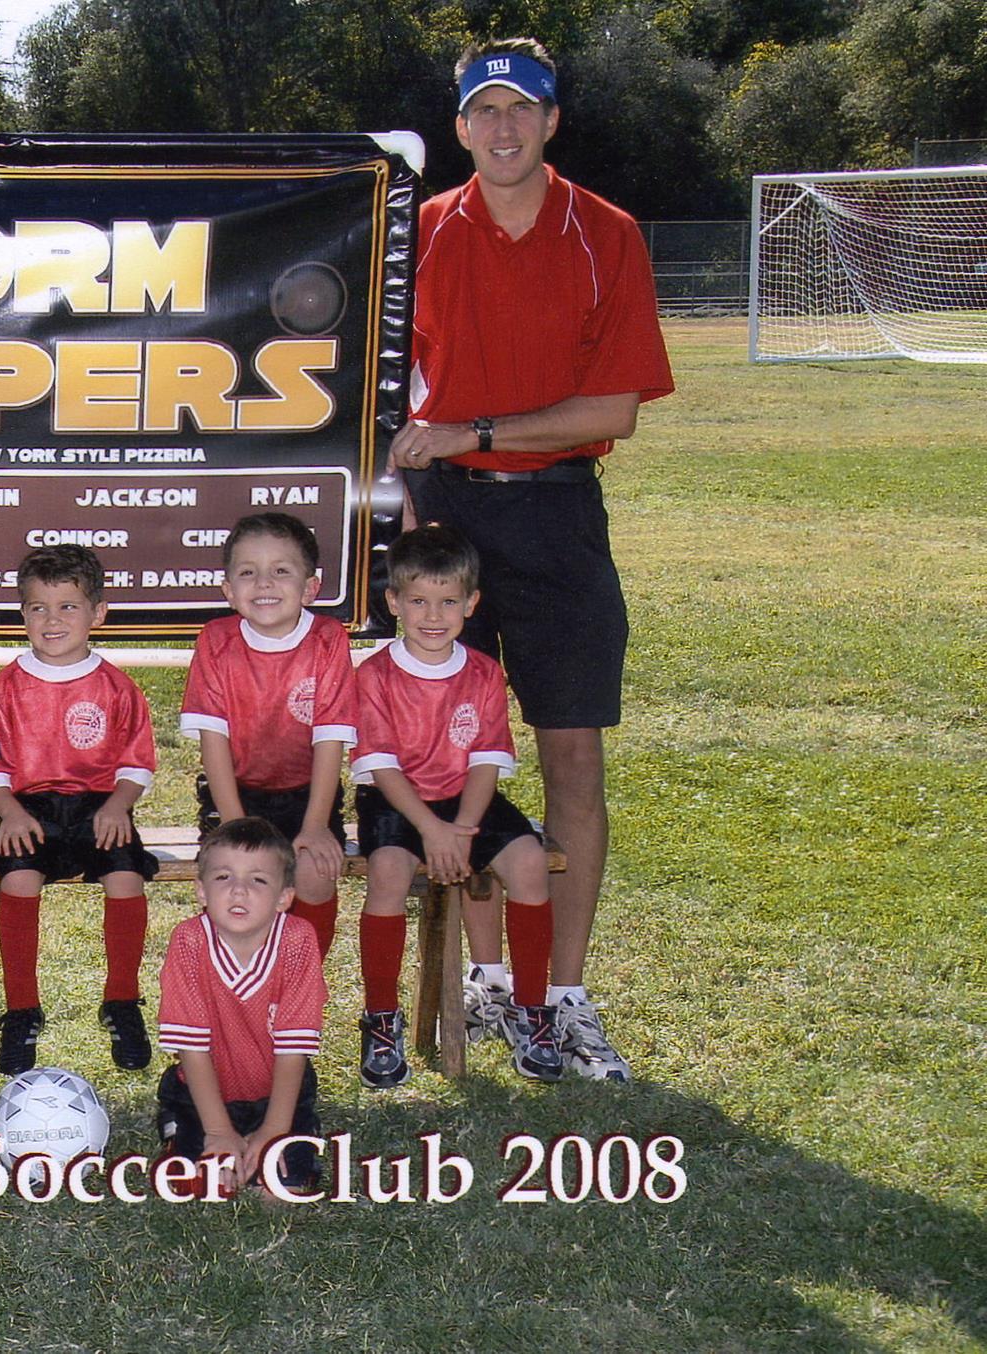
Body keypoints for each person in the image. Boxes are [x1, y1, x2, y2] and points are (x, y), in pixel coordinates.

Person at [390, 38, 674, 1081]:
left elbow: (615, 409)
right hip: (448, 520)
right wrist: (421, 482)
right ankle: (489, 981)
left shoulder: (607, 233)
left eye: (523, 109)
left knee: (572, 757)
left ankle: (565, 997)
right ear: (461, 127)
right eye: (485, 111)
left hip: (556, 510)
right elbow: (375, 380)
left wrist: (474, 429)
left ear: (552, 122)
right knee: (449, 754)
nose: (503, 128)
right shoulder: (420, 230)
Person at [349, 524, 561, 1088]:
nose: (433, 615)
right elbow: (382, 767)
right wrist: (432, 830)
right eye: (418, 601)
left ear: (470, 603)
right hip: (396, 800)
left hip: (467, 798)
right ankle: (381, 1018)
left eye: (448, 602)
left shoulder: (484, 673)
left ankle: (532, 1012)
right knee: (389, 873)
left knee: (530, 863)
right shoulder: (374, 675)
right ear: (394, 602)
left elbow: (487, 759)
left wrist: (462, 828)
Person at [0, 545, 160, 1075]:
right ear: (23, 615)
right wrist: (9, 811)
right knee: (19, 878)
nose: (52, 620)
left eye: (68, 607)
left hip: (99, 806)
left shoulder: (117, 687)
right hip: (28, 808)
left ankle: (122, 1001)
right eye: (38, 608)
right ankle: (21, 1010)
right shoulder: (6, 687)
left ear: (97, 613)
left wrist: (120, 806)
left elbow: (136, 763)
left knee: (125, 875)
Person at [179, 512, 358, 958]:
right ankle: (239, 977)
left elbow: (331, 738)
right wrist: (236, 827)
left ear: (310, 587)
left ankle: (298, 981)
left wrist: (316, 825)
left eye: (281, 570)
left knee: (314, 871)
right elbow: (213, 744)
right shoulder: (216, 641)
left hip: (308, 794)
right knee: (234, 875)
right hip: (235, 794)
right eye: (247, 573)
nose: (264, 583)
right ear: (228, 590)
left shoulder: (328, 639)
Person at [155, 818, 325, 1197]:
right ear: (201, 890)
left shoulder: (297, 941)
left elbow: (294, 1046)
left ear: (284, 897)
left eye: (258, 880)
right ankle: (179, 1126)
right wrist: (217, 1132)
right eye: (223, 877)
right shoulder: (189, 941)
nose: (239, 890)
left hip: (279, 1092)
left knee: (283, 1190)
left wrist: (274, 1130)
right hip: (202, 1092)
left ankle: (297, 1132)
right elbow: (192, 1047)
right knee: (201, 1186)